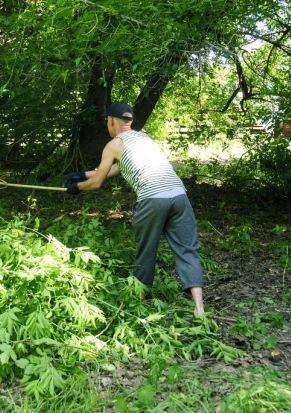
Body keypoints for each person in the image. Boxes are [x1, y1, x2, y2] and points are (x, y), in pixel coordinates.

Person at [64, 101, 205, 316]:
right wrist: (83, 175)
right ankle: (199, 308)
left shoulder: (114, 144)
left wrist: (77, 187)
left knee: (146, 251)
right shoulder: (144, 138)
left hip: (152, 199)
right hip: (178, 195)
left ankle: (138, 302)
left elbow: (97, 183)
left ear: (111, 122)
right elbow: (118, 168)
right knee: (187, 249)